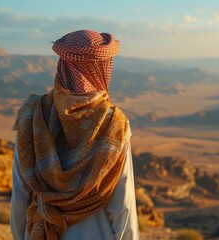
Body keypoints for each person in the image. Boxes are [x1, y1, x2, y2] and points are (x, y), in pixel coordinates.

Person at [10, 30, 140, 240]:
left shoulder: (32, 115)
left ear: (63, 63)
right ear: (100, 68)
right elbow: (122, 206)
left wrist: (21, 236)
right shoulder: (113, 124)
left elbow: (20, 195)